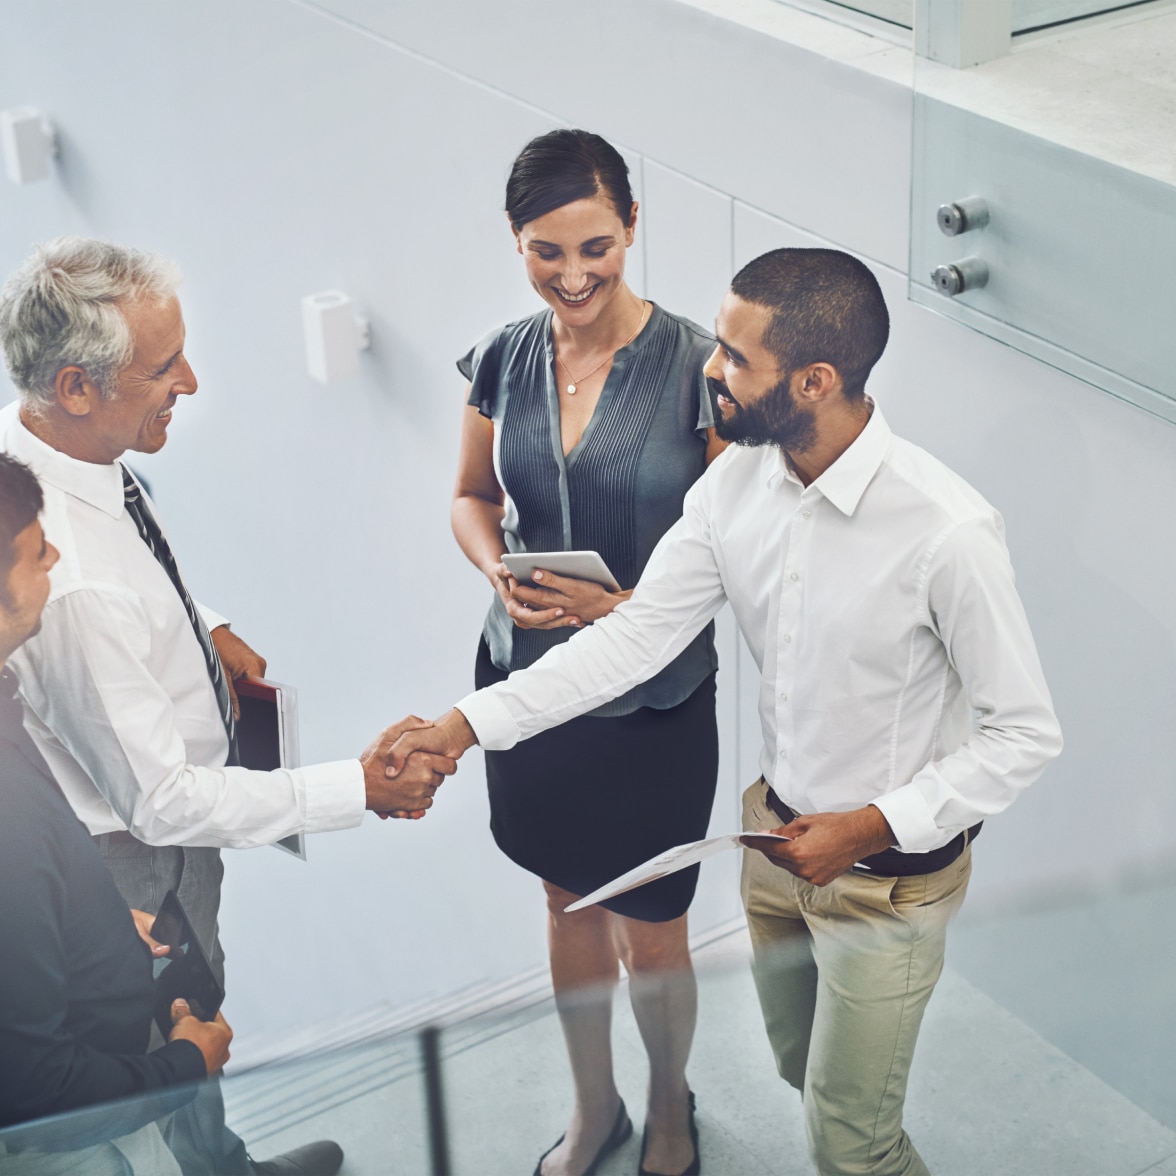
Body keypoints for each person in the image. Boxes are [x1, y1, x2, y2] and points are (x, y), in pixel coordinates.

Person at [389, 248, 1063, 1176]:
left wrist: (867, 826)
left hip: (886, 875)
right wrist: (464, 727)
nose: (711, 368)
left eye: (738, 358)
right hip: (772, 843)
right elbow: (633, 640)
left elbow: (1024, 734)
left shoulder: (947, 532)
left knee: (850, 1141)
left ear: (814, 380)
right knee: (802, 1072)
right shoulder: (734, 487)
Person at [0, 237, 457, 1176]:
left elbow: (125, 578)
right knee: (171, 1044)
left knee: (185, 1038)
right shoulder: (73, 584)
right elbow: (163, 801)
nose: (192, 382)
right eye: (163, 367)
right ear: (78, 386)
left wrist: (198, 624)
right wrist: (358, 789)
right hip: (137, 868)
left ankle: (223, 1168)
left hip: (142, 846)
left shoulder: (50, 458)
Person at [449, 129, 725, 1176]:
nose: (572, 277)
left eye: (596, 248)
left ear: (634, 228)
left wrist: (622, 615)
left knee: (651, 928)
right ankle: (593, 1104)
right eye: (544, 251)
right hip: (529, 681)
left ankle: (667, 1110)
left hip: (652, 700)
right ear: (516, 242)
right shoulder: (503, 357)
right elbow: (473, 497)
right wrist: (496, 572)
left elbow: (732, 555)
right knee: (566, 903)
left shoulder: (703, 367)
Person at [0, 451, 232, 1175]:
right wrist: (188, 1063)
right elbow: (40, 1091)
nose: (57, 558)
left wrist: (92, 914)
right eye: (38, 553)